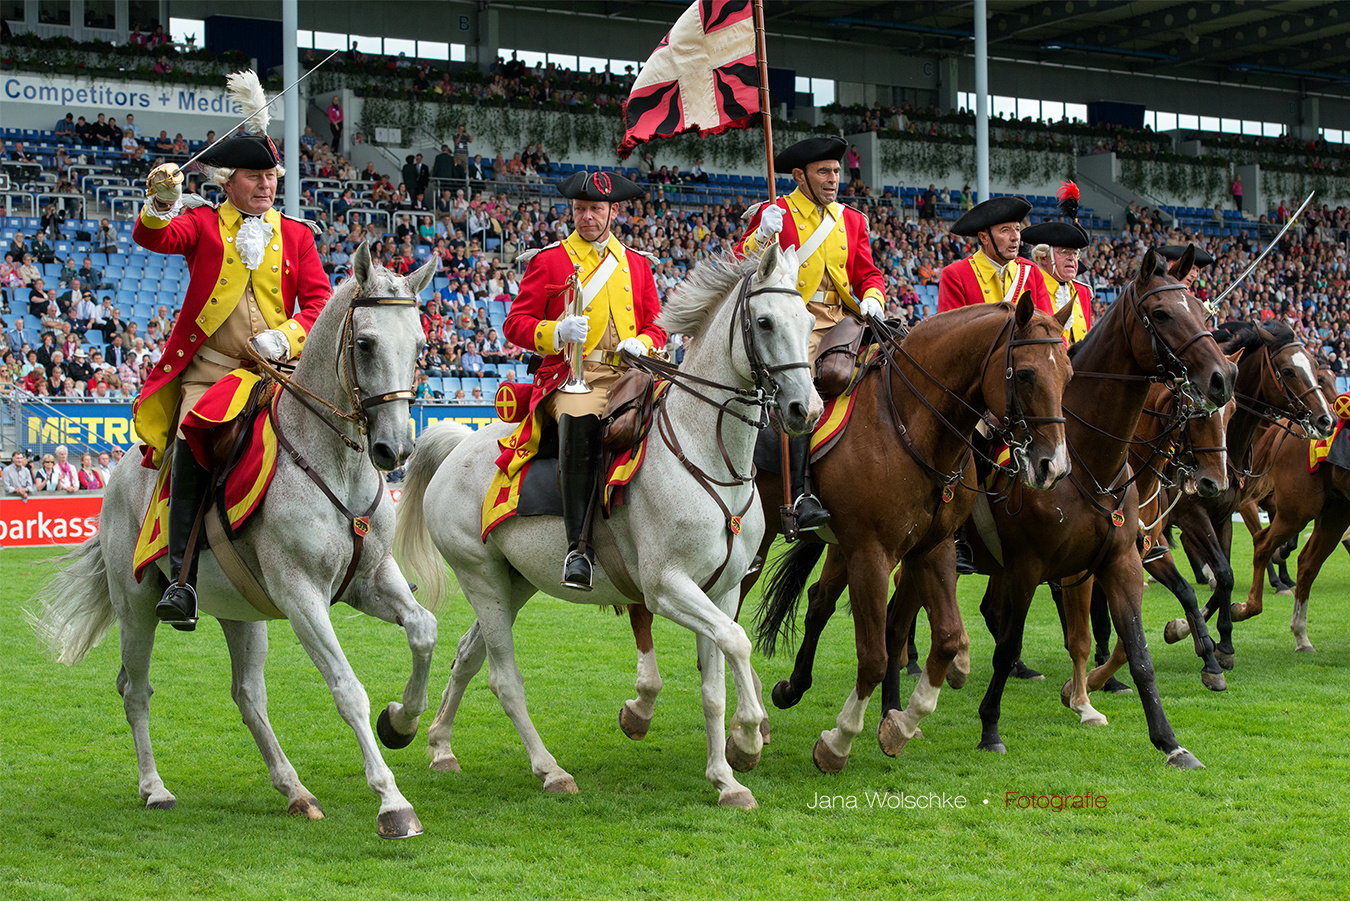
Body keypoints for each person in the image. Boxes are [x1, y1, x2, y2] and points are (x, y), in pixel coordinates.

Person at [134, 70, 330, 631]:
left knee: (348, 420)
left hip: (281, 370)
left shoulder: (297, 235)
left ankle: (367, 553)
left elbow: (317, 304)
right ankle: (180, 579)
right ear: (228, 181)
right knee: (197, 441)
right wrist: (161, 199)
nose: (267, 185)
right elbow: (154, 238)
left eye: (271, 176)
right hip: (212, 376)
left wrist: (287, 337)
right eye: (255, 176)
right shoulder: (197, 224)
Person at [502, 170, 665, 589]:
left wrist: (644, 342)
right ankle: (579, 548)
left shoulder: (637, 264)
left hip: (630, 375)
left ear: (614, 211)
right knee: (578, 417)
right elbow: (515, 324)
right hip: (573, 377)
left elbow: (657, 325)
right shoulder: (550, 260)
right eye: (579, 209)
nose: (587, 217)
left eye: (595, 209)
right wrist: (553, 332)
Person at [736, 135, 886, 532]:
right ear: (800, 176)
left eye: (837, 171)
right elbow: (740, 264)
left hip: (844, 320)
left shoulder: (852, 219)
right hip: (794, 322)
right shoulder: (776, 211)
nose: (834, 179)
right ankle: (802, 494)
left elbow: (868, 273)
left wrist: (873, 296)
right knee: (809, 386)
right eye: (824, 172)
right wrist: (759, 235)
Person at [1020, 181, 1092, 344]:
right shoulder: (1029, 289)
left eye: (1075, 253)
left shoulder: (1083, 292)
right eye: (1064, 252)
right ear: (1043, 257)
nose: (1072, 258)